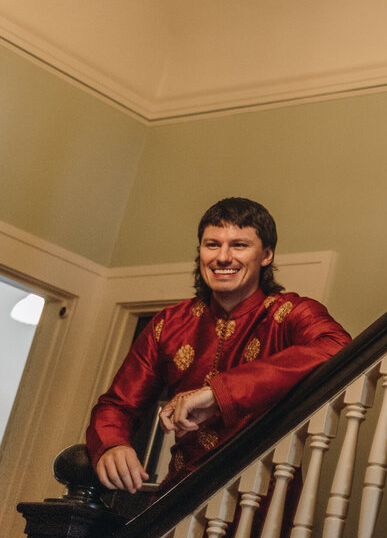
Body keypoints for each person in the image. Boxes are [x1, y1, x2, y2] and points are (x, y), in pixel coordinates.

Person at [86, 197, 351, 494]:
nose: (223, 257)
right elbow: (117, 405)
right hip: (179, 494)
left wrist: (218, 393)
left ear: (266, 255)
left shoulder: (290, 313)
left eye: (239, 245)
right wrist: (112, 444)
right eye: (212, 244)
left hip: (261, 497)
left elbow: (337, 346)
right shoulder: (169, 324)